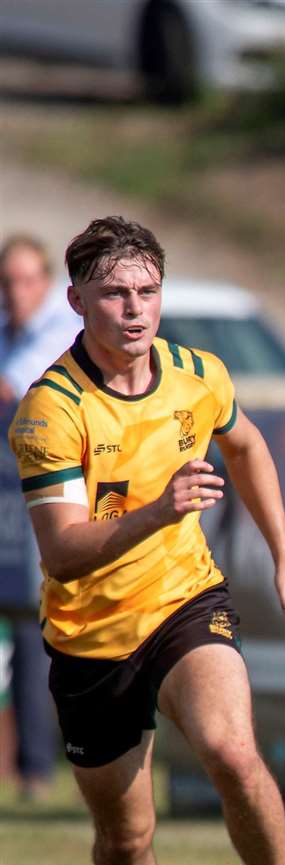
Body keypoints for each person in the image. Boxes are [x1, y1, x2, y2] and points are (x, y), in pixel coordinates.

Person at [6, 217, 285, 865]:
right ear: (76, 301)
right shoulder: (51, 411)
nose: (134, 309)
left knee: (232, 750)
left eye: (148, 292)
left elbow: (249, 446)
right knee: (127, 841)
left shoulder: (198, 373)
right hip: (90, 638)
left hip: (184, 601)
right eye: (115, 293)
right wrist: (159, 511)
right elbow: (61, 553)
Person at [1, 233, 81, 802]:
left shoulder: (60, 335)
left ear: (47, 285)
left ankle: (36, 768)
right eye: (6, 283)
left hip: (40, 494)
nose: (15, 293)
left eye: (26, 281)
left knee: (35, 625)